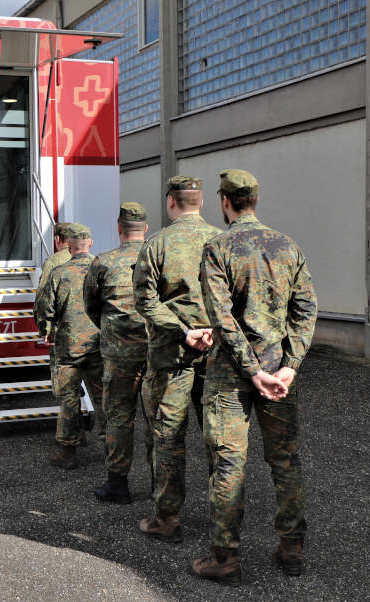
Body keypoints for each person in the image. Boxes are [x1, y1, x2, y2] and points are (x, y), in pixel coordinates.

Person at [190, 169, 317, 587]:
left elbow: (222, 319)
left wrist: (252, 371)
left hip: (231, 376)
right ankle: (292, 548)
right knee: (285, 460)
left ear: (225, 201)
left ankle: (225, 558)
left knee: (228, 464)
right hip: (278, 375)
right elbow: (305, 311)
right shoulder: (287, 246)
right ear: (255, 201)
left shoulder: (218, 247)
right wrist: (287, 367)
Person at [132, 176, 223, 543]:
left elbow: (145, 301)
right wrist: (214, 330)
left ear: (171, 201)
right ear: (201, 203)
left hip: (173, 355)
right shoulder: (222, 240)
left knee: (169, 435)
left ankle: (167, 519)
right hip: (218, 352)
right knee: (218, 437)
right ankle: (224, 520)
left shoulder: (157, 244)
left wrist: (185, 331)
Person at [83, 202, 151, 504]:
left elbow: (91, 304)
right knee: (159, 419)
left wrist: (111, 328)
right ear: (145, 229)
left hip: (119, 353)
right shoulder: (157, 256)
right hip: (155, 350)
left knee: (119, 417)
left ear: (119, 228)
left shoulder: (103, 262)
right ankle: (160, 486)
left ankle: (117, 484)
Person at [35, 224, 105, 469]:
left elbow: (45, 308)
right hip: (99, 344)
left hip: (68, 346)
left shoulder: (60, 271)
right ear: (91, 244)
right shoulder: (103, 268)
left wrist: (47, 331)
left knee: (69, 398)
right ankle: (112, 446)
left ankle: (68, 452)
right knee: (103, 396)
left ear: (69, 246)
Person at [33, 222, 73, 340]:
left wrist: (44, 328)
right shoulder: (88, 259)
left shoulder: (52, 262)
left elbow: (43, 297)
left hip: (61, 329)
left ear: (57, 238)